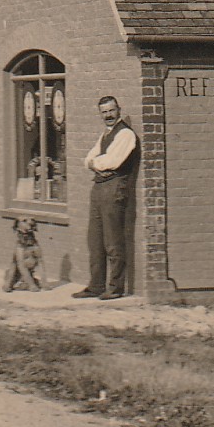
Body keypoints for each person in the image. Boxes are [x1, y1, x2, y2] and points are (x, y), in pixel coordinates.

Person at [72, 96, 138, 299]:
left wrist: (97, 163)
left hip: (115, 188)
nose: (108, 115)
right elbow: (88, 159)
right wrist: (96, 164)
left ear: (118, 109)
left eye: (111, 111)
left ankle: (115, 287)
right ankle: (96, 285)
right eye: (104, 112)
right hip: (99, 188)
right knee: (95, 239)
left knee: (112, 240)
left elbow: (114, 162)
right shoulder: (105, 135)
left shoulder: (125, 134)